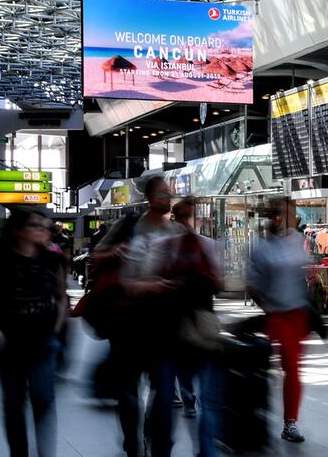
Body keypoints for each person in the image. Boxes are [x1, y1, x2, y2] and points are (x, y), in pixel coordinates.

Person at [96, 176, 182, 457]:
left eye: (169, 194)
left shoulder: (176, 232)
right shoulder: (130, 225)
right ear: (148, 197)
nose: (167, 198)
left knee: (163, 390)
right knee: (128, 392)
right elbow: (97, 255)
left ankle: (158, 441)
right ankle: (132, 441)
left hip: (163, 324)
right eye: (161, 193)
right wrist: (115, 251)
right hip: (127, 322)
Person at [0, 207, 66, 457]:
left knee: (43, 399)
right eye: (35, 226)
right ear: (19, 231)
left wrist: (56, 330)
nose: (42, 230)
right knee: (14, 404)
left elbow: (61, 297)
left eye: (44, 226)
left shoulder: (52, 258)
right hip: (10, 344)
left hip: (43, 341)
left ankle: (45, 453)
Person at [153, 197, 223, 457]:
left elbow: (152, 283)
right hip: (198, 328)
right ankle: (205, 450)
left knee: (164, 396)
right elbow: (220, 284)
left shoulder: (163, 247)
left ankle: (165, 448)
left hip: (171, 328)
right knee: (209, 399)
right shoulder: (207, 246)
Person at [246, 197, 311, 443]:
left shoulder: (296, 240)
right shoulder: (261, 246)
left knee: (292, 369)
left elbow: (301, 274)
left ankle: (290, 422)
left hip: (297, 315)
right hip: (276, 315)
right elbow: (252, 283)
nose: (288, 218)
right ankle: (258, 414)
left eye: (290, 213)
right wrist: (268, 306)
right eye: (284, 213)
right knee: (267, 367)